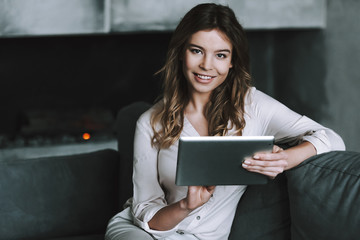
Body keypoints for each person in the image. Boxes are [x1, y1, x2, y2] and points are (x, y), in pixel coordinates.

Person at [106, 3, 345, 240]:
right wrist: (186, 206)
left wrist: (284, 159)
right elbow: (145, 212)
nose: (207, 65)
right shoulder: (150, 122)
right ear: (181, 52)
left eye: (220, 55)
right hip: (138, 231)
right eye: (196, 51)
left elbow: (331, 138)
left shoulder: (253, 106)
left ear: (232, 61)